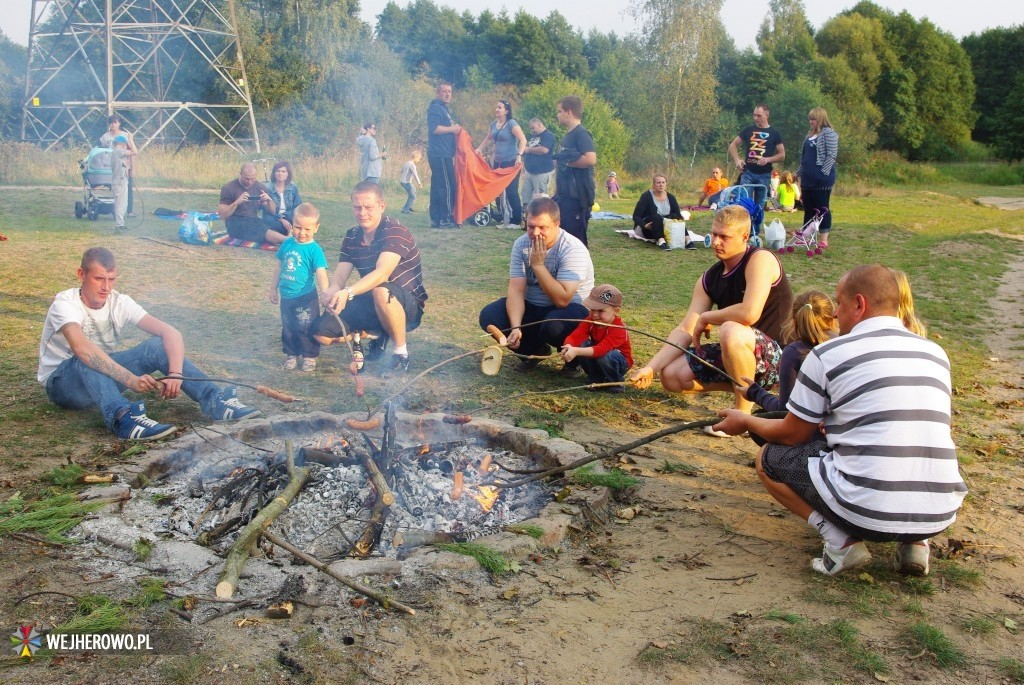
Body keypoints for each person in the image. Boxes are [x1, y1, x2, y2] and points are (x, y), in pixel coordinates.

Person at [712, 265, 967, 577]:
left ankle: (841, 543)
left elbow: (791, 434)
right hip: (940, 510)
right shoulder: (935, 353)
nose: (836, 314)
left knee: (770, 459)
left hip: (867, 511)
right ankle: (917, 542)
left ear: (859, 305)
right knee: (915, 443)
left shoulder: (829, 355)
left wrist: (746, 420)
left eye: (840, 304)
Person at [38, 248, 259, 441]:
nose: (106, 287)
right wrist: (130, 380)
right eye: (99, 279)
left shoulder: (119, 302)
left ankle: (215, 400)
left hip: (102, 379)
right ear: (81, 274)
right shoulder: (65, 304)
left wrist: (175, 373)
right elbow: (82, 349)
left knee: (156, 346)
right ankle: (122, 417)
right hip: (63, 385)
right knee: (86, 359)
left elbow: (170, 333)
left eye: (111, 279)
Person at [631, 205, 794, 425]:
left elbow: (749, 313)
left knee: (731, 329)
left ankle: (742, 415)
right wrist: (651, 367)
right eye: (714, 234)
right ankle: (752, 390)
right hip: (742, 355)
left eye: (724, 237)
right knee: (670, 375)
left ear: (745, 236)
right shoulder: (709, 278)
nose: (716, 242)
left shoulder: (760, 259)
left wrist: (707, 318)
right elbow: (685, 329)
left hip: (779, 358)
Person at [312, 181, 427, 375]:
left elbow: (382, 273)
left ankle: (400, 354)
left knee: (381, 289)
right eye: (357, 207)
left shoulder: (394, 231)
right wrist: (332, 291)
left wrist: (348, 292)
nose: (362, 212)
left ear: (382, 206)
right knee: (320, 334)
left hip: (407, 304)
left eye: (368, 207)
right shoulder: (352, 236)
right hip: (372, 298)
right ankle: (377, 334)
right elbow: (340, 275)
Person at [478, 197, 594, 368]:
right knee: (490, 316)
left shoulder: (572, 248)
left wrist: (538, 266)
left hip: (570, 310)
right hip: (534, 307)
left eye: (543, 227)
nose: (536, 233)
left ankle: (574, 360)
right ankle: (533, 351)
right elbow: (516, 290)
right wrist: (516, 327)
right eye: (531, 226)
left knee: (553, 326)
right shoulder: (521, 245)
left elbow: (562, 300)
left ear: (557, 224)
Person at [737, 289, 836, 442]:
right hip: (844, 432)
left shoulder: (795, 352)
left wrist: (755, 393)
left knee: (759, 420)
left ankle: (779, 459)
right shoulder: (845, 343)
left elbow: (785, 410)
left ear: (794, 320)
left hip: (815, 439)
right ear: (832, 318)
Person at [270, 203, 329, 372]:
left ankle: (309, 356)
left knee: (306, 326)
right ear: (292, 225)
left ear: (316, 228)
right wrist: (273, 288)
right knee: (288, 326)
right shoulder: (288, 244)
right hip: (287, 296)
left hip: (305, 296)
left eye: (307, 229)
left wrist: (326, 293)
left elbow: (320, 273)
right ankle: (291, 354)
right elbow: (278, 266)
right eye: (298, 227)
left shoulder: (314, 250)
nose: (302, 233)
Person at [560, 284, 633, 391]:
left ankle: (615, 381)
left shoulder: (619, 329)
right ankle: (595, 377)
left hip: (616, 361)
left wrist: (577, 351)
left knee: (606, 356)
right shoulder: (590, 320)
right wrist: (569, 345)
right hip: (598, 357)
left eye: (601, 311)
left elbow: (601, 350)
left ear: (616, 311)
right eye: (592, 309)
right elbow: (576, 336)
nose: (594, 314)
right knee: (582, 344)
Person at [728, 104, 785, 238]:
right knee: (745, 204)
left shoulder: (775, 133)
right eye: (754, 115)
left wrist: (768, 159)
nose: (756, 118)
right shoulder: (748, 130)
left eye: (759, 115)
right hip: (748, 173)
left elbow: (782, 155)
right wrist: (737, 161)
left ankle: (755, 233)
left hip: (764, 175)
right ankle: (742, 233)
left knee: (759, 207)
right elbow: (733, 145)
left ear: (767, 115)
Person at [552, 95, 597, 246]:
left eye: (559, 111)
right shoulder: (567, 136)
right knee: (563, 240)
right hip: (564, 196)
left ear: (568, 112)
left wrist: (565, 161)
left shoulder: (581, 134)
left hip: (577, 198)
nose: (557, 115)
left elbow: (591, 159)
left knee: (576, 243)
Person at [475, 100, 527, 228]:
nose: (496, 109)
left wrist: (519, 156)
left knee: (511, 191)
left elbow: (523, 140)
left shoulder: (511, 124)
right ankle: (503, 217)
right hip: (497, 162)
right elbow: (488, 138)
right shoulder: (493, 124)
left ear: (506, 111)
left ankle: (516, 221)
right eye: (496, 107)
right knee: (497, 190)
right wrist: (479, 149)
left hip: (511, 162)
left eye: (500, 107)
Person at [799, 107, 839, 248]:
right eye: (810, 119)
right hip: (807, 179)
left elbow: (831, 155)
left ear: (820, 119)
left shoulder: (829, 134)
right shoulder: (809, 136)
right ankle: (805, 235)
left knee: (822, 208)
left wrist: (823, 173)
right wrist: (798, 173)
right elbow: (804, 158)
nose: (811, 122)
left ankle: (823, 238)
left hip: (822, 179)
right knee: (809, 208)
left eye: (813, 119)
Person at [218, 162, 285, 245]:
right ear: (240, 174)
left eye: (253, 179)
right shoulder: (228, 188)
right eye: (247, 179)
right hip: (235, 224)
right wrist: (236, 203)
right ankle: (288, 240)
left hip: (254, 221)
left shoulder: (260, 187)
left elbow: (272, 212)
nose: (250, 182)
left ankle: (284, 239)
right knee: (260, 229)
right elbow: (222, 215)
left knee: (267, 226)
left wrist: (269, 200)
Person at [427, 82, 462, 228]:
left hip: (443, 153)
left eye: (449, 91)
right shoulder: (436, 108)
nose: (447, 94)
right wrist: (452, 129)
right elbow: (434, 129)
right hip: (440, 154)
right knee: (446, 186)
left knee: (438, 185)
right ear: (438, 93)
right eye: (444, 91)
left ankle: (436, 218)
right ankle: (445, 218)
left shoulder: (443, 109)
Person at [631, 174, 690, 251]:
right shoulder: (646, 196)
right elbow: (636, 216)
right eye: (658, 183)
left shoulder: (671, 197)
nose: (661, 185)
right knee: (656, 216)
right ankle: (661, 242)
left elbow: (677, 215)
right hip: (647, 228)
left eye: (663, 182)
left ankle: (688, 240)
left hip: (665, 227)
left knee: (675, 216)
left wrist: (679, 218)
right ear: (653, 185)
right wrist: (645, 226)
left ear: (666, 184)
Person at [99, 114, 137, 217]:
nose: (113, 124)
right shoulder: (105, 137)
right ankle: (115, 209)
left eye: (115, 122)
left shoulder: (125, 136)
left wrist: (133, 168)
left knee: (128, 187)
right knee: (116, 188)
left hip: (124, 165)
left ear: (119, 123)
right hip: (110, 166)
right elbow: (102, 152)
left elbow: (132, 152)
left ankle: (129, 211)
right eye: (111, 122)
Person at [521, 118, 556, 202]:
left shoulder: (548, 136)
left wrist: (529, 149)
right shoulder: (534, 136)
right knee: (526, 196)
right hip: (529, 171)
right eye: (530, 128)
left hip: (541, 172)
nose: (531, 130)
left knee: (540, 200)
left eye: (533, 128)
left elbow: (544, 150)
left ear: (539, 125)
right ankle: (527, 214)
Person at [263, 160, 302, 235]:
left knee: (301, 220)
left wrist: (284, 217)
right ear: (274, 173)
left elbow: (297, 207)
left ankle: (281, 232)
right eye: (278, 171)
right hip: (273, 217)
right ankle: (289, 232)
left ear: (288, 174)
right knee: (268, 220)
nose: (280, 173)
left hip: (289, 215)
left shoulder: (293, 187)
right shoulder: (267, 187)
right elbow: (267, 211)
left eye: (283, 171)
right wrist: (281, 219)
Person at [110, 134, 136, 234]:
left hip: (121, 181)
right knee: (120, 204)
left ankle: (121, 224)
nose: (126, 146)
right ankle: (119, 225)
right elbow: (135, 152)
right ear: (120, 144)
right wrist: (131, 140)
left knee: (122, 204)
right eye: (124, 144)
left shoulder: (117, 152)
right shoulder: (118, 151)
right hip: (119, 182)